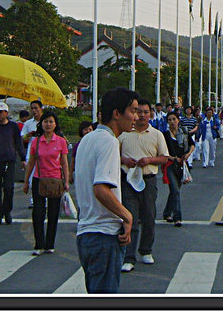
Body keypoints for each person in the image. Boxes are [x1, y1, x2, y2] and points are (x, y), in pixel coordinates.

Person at [75, 87, 138, 294]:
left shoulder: (88, 139)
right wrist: (127, 216)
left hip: (86, 234)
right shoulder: (109, 141)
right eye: (133, 111)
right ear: (117, 114)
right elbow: (101, 189)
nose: (136, 117)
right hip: (104, 235)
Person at [118, 99, 169, 272]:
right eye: (138, 111)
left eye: (146, 112)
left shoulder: (156, 134)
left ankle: (146, 250)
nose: (142, 115)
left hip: (148, 180)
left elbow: (164, 157)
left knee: (148, 216)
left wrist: (149, 160)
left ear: (151, 114)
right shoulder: (124, 134)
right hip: (128, 180)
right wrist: (124, 160)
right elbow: (113, 155)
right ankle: (128, 256)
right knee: (129, 217)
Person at [23, 110, 70, 255]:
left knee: (53, 212)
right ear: (41, 124)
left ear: (55, 124)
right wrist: (26, 182)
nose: (48, 124)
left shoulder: (61, 141)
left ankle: (50, 244)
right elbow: (31, 162)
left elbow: (64, 163)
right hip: (39, 179)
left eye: (51, 122)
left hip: (55, 180)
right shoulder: (36, 142)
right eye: (45, 121)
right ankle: (39, 244)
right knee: (38, 212)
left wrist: (66, 181)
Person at [161, 112, 195, 227]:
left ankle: (167, 213)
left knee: (174, 191)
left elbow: (192, 144)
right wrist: (173, 158)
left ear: (178, 120)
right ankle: (177, 217)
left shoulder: (184, 132)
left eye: (174, 119)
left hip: (182, 165)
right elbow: (162, 152)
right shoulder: (164, 135)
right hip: (170, 165)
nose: (172, 122)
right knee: (175, 189)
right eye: (169, 120)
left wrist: (188, 154)